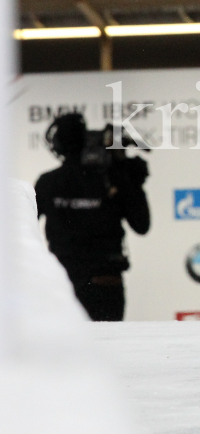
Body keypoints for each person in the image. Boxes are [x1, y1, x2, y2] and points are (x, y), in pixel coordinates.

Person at [35, 113, 150, 321]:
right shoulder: (111, 179)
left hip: (61, 285)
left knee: (64, 352)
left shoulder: (47, 183)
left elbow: (20, 228)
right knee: (106, 350)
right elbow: (141, 224)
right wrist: (123, 169)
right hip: (104, 284)